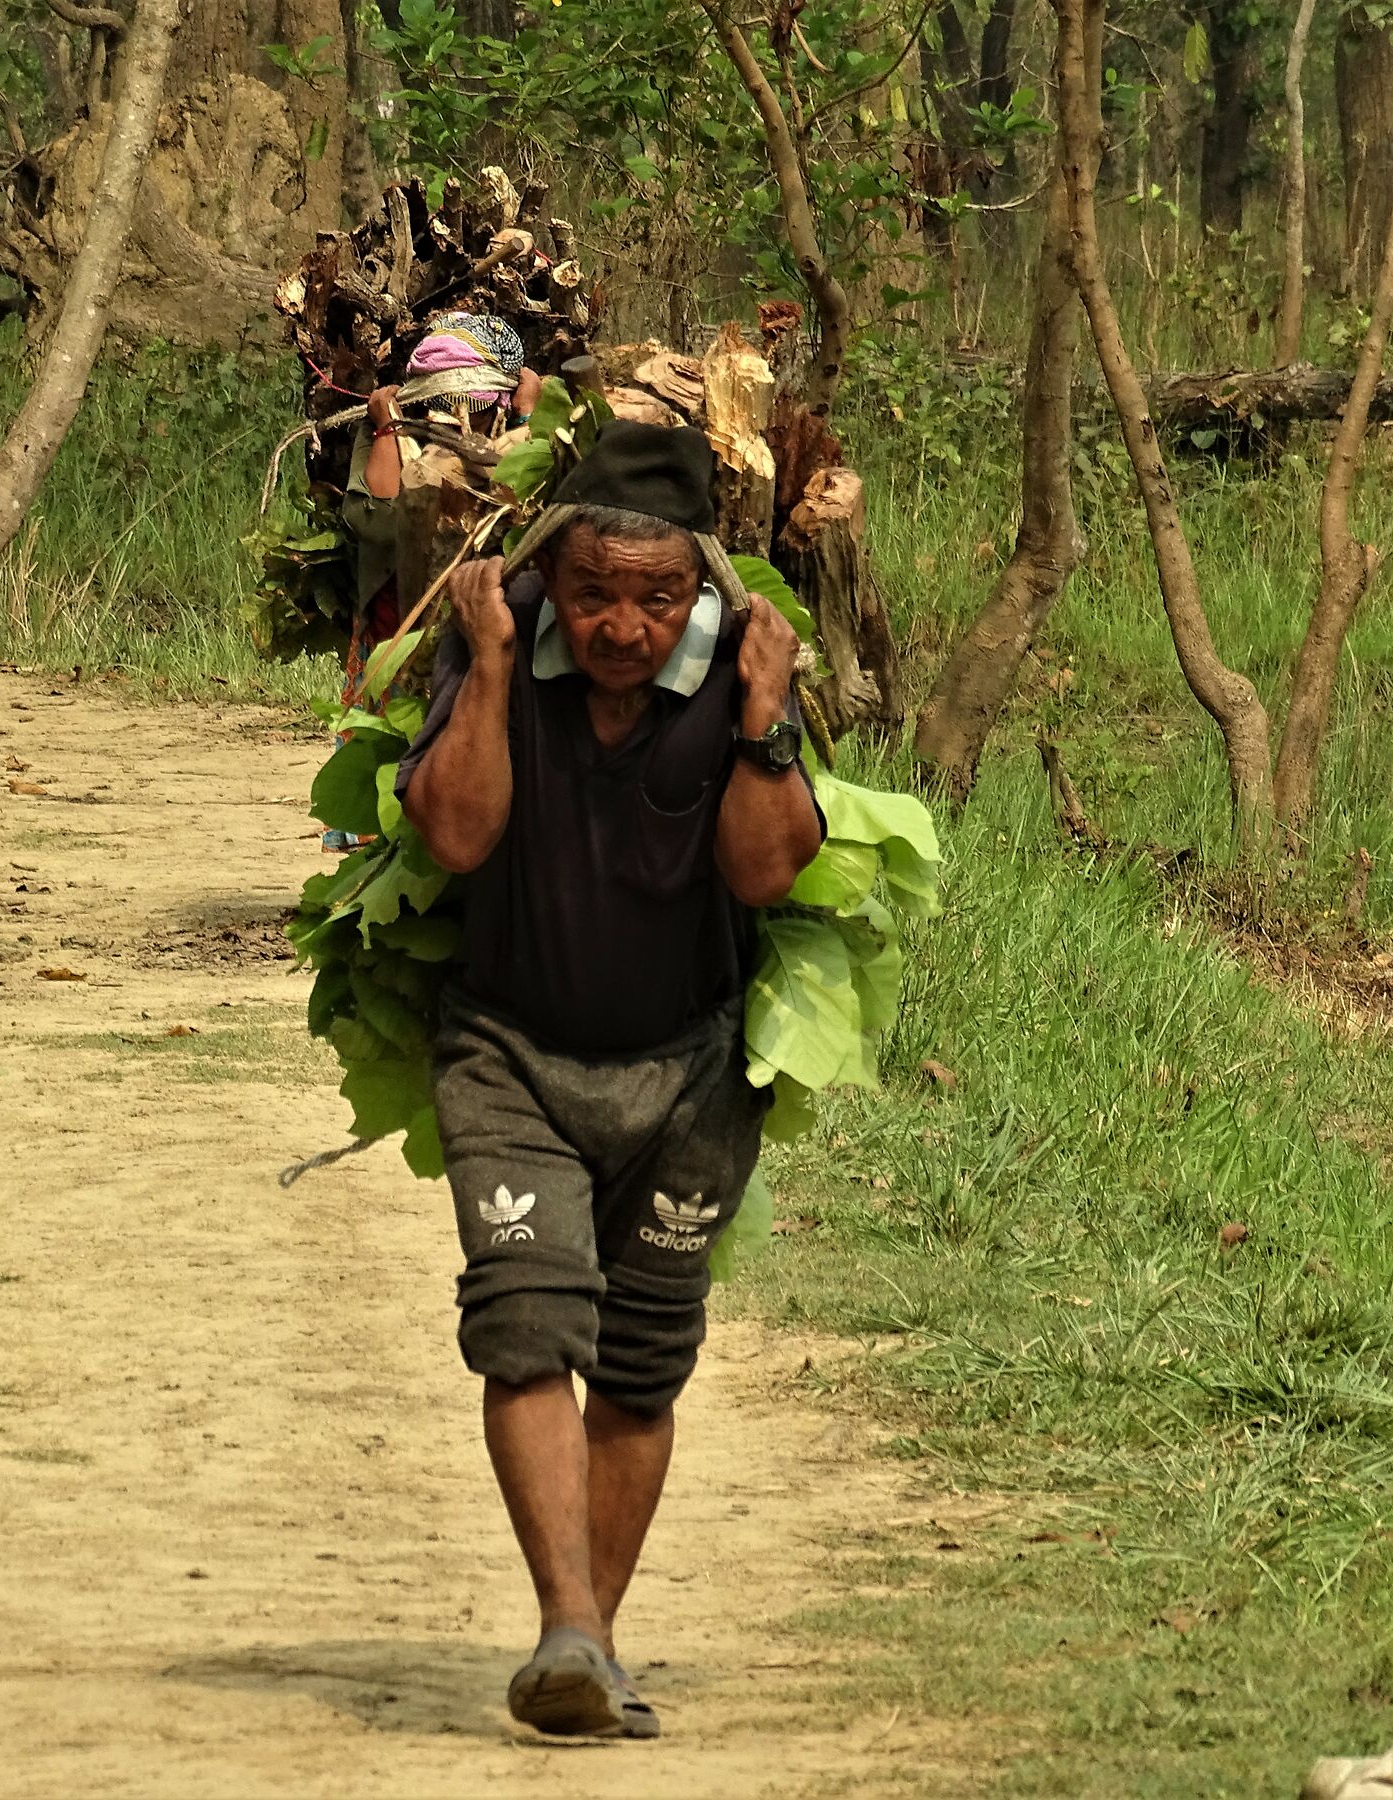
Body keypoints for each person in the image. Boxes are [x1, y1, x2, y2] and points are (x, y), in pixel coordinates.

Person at [396, 422, 824, 1739]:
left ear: (698, 588)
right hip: (510, 1054)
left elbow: (765, 873)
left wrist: (759, 723)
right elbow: (458, 833)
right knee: (525, 1325)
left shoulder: (740, 674)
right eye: (593, 595)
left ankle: (593, 1644)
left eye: (655, 597)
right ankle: (566, 1630)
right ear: (550, 576)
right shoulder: (498, 654)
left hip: (688, 1076)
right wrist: (482, 672)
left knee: (640, 1365)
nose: (624, 626)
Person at [322, 313, 541, 852]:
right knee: (392, 762)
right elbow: (375, 515)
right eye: (438, 402)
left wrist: (530, 417)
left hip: (483, 634)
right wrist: (388, 429)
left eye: (472, 402)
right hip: (397, 633)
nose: (452, 415)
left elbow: (529, 505)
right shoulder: (387, 433)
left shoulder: (517, 440)